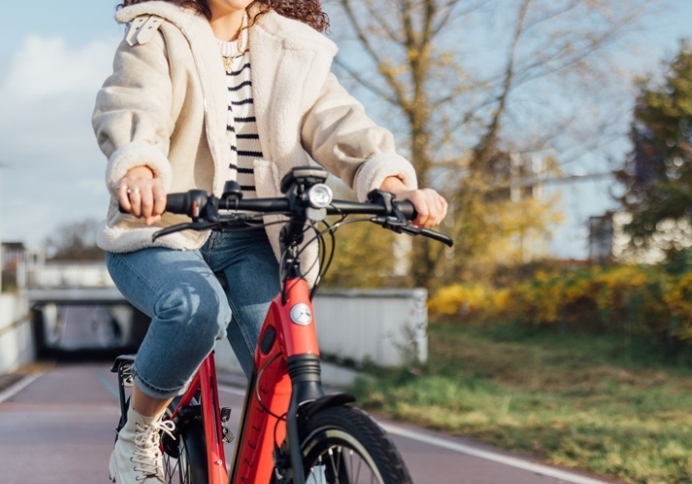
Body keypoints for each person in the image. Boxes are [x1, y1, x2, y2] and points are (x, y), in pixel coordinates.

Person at [92, 0, 449, 482]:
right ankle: (139, 431)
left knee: (285, 367)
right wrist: (139, 169)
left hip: (254, 239)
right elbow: (135, 104)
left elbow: (339, 123)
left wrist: (392, 185)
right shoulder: (158, 33)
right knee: (197, 310)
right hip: (164, 229)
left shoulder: (292, 46)